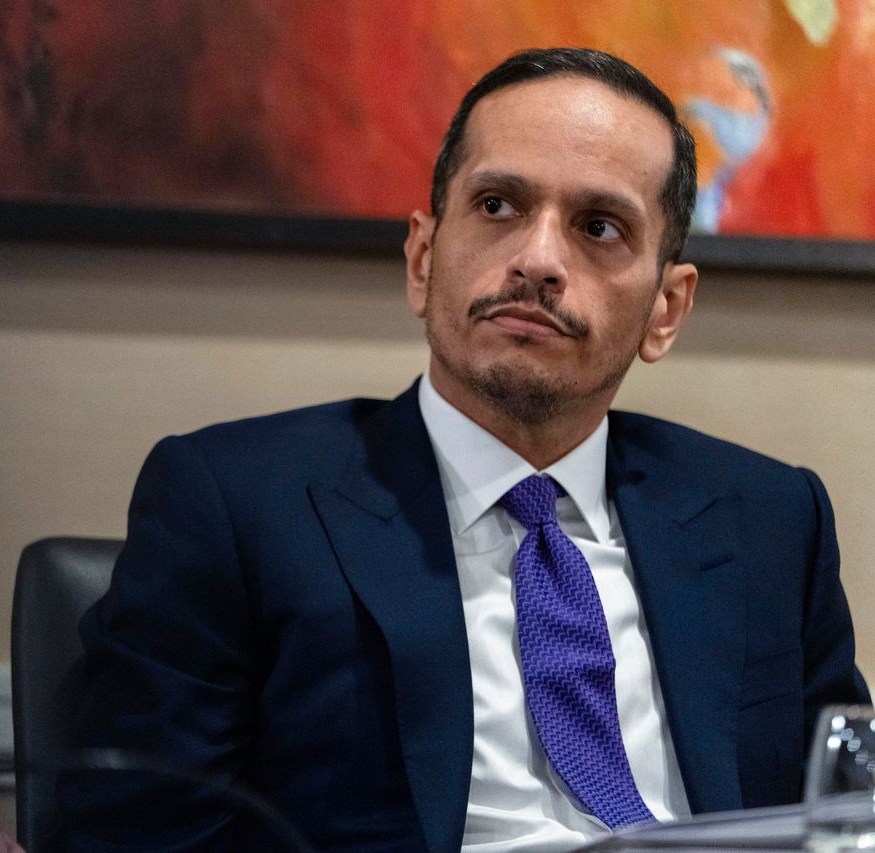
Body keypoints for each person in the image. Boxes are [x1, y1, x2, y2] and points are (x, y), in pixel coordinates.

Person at [55, 47, 870, 852]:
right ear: (422, 259)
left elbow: (850, 813)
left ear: (666, 309)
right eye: (497, 205)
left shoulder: (771, 520)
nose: (539, 261)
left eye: (599, 226)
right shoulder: (235, 503)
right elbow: (130, 835)